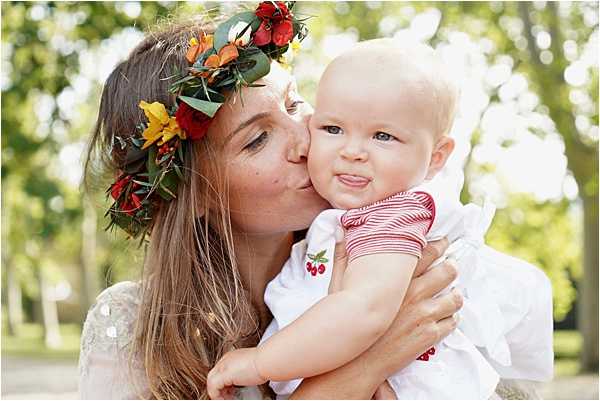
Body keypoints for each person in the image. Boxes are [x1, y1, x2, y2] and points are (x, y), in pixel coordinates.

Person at [78, 9, 465, 400]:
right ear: (195, 195)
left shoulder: (400, 248)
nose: (305, 140)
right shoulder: (134, 327)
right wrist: (364, 365)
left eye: (295, 104)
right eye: (258, 139)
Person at [206, 40, 554, 399]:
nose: (352, 151)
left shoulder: (392, 216)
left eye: (383, 136)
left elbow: (364, 310)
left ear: (436, 158)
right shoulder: (350, 217)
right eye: (332, 129)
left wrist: (260, 362)